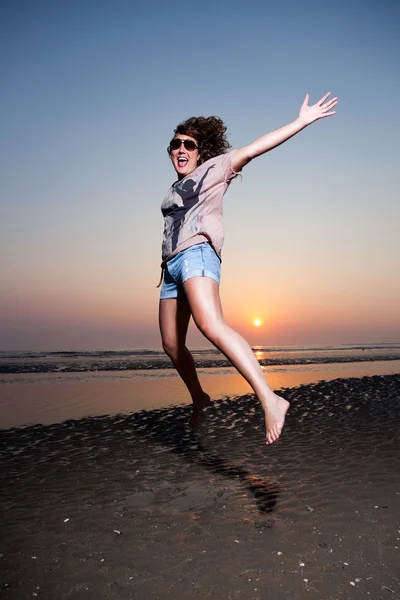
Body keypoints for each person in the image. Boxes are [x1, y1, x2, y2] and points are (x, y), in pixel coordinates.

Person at [158, 93, 338, 445]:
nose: (181, 150)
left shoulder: (215, 168)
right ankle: (199, 397)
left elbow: (255, 148)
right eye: (176, 144)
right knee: (170, 345)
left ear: (200, 151)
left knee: (211, 325)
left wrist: (301, 121)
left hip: (197, 254)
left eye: (189, 145)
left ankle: (270, 398)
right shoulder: (172, 188)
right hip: (170, 267)